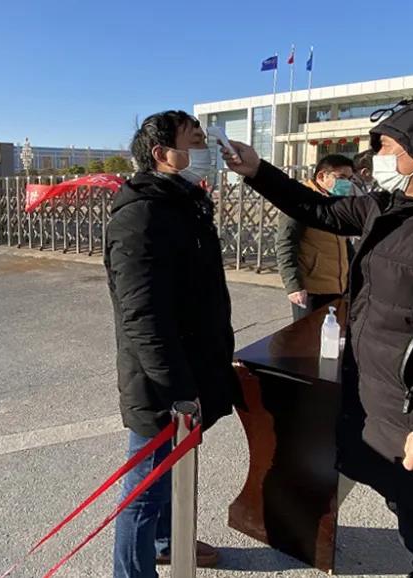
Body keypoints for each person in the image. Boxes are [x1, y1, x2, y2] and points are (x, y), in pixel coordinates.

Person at [222, 94, 413, 578]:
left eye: (387, 147)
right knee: (410, 518)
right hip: (385, 409)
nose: (376, 158)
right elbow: (317, 209)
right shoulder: (389, 207)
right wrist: (258, 171)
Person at [104, 110, 237, 578]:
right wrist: (177, 388)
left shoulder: (184, 202)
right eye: (196, 141)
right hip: (160, 382)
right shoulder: (140, 215)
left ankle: (167, 540)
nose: (207, 150)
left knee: (172, 472)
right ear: (163, 154)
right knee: (145, 488)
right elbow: (143, 316)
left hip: (191, 369)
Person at [275, 154, 354, 320]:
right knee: (307, 334)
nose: (347, 183)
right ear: (321, 176)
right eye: (341, 177)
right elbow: (286, 242)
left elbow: (344, 243)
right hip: (311, 290)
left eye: (349, 178)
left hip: (338, 287)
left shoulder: (336, 203)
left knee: (333, 333)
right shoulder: (301, 201)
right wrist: (294, 286)